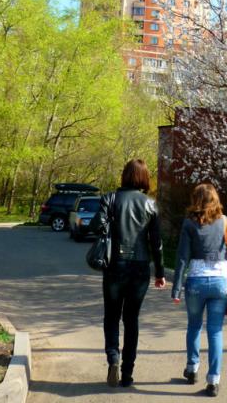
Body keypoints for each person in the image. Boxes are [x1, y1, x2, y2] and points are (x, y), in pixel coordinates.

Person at [90, 159, 166, 388]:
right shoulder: (150, 205)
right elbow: (157, 243)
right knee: (131, 319)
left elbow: (95, 226)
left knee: (112, 316)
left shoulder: (109, 199)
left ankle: (113, 358)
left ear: (124, 176)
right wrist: (160, 272)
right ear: (144, 178)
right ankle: (127, 374)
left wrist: (110, 223)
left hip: (115, 265)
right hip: (140, 268)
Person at [171, 183, 227, 397]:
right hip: (221, 283)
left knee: (194, 326)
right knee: (215, 331)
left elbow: (182, 257)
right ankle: (213, 380)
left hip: (196, 283)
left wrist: (176, 288)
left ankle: (192, 369)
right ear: (216, 200)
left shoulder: (189, 224)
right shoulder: (225, 221)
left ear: (196, 201)